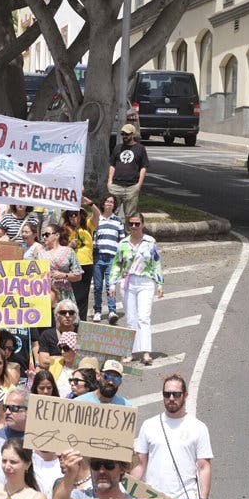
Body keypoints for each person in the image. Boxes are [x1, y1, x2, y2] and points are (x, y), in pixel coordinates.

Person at [131, 374, 212, 499]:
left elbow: (204, 467)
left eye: (176, 394)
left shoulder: (198, 427)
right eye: (167, 394)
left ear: (185, 395)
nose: (171, 398)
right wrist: (128, 491)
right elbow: (140, 464)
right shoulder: (149, 425)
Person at [110, 212, 163, 365]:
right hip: (128, 282)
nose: (133, 227)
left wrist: (160, 284)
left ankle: (146, 352)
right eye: (131, 224)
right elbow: (116, 264)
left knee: (144, 317)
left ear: (142, 224)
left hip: (145, 282)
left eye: (137, 224)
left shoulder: (150, 242)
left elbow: (156, 263)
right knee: (131, 319)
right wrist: (112, 284)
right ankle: (130, 352)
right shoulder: (123, 243)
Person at [91, 195, 124, 323]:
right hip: (98, 256)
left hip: (112, 257)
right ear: (103, 204)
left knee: (110, 286)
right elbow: (93, 237)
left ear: (114, 205)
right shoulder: (97, 219)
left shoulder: (118, 221)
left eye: (112, 202)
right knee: (98, 286)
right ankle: (97, 311)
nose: (109, 204)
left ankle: (112, 311)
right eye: (107, 201)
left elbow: (121, 240)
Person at [107, 123, 148, 219]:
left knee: (130, 216)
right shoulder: (118, 147)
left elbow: (144, 167)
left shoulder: (140, 149)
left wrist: (139, 185)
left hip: (132, 187)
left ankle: (129, 233)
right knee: (111, 214)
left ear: (133, 134)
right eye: (123, 134)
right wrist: (109, 182)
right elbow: (112, 165)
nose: (124, 136)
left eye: (127, 134)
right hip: (116, 186)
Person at [40, 223, 82, 303]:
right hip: (46, 294)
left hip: (64, 294)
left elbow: (78, 276)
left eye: (47, 234)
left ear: (57, 235)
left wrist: (64, 275)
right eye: (43, 235)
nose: (44, 237)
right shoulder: (40, 253)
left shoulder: (68, 251)